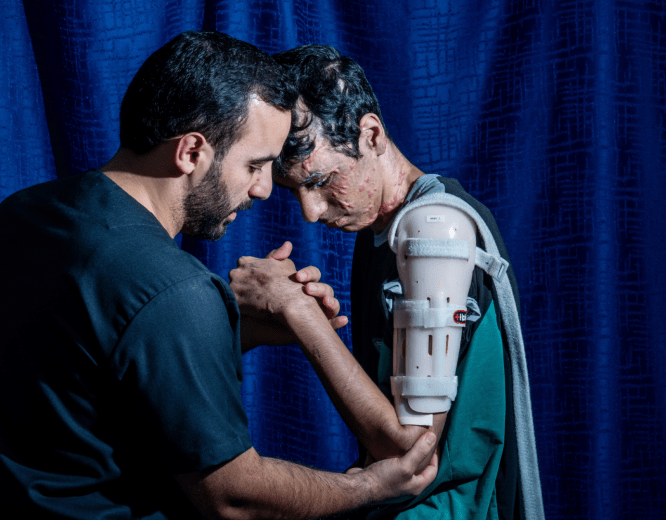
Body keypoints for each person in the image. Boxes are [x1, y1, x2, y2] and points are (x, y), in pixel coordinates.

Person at [0, 32, 440, 520]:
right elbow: (234, 497)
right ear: (191, 152)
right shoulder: (173, 290)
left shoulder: (22, 214)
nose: (265, 190)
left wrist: (233, 328)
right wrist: (367, 487)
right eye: (255, 164)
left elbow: (90, 378)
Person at [229, 45, 543, 519]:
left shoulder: (434, 230)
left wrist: (298, 312)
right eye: (295, 191)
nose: (311, 213)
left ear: (370, 133)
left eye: (319, 181)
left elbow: (411, 453)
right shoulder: (383, 232)